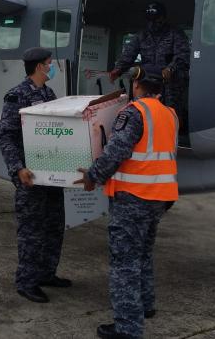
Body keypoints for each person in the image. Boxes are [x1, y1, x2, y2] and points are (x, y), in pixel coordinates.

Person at [75, 72, 178, 339]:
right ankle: (146, 304)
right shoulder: (170, 114)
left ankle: (128, 328)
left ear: (137, 85)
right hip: (160, 196)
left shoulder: (133, 113)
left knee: (125, 263)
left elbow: (115, 152)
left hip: (133, 197)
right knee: (143, 253)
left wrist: (92, 176)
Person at [0, 47, 71, 303]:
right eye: (50, 63)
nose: (52, 67)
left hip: (51, 174)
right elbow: (5, 136)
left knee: (53, 226)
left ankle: (46, 274)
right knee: (32, 231)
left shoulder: (48, 93)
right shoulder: (16, 96)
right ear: (40, 66)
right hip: (30, 175)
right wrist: (18, 168)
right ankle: (26, 282)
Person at [109, 2, 190, 128]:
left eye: (156, 19)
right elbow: (129, 54)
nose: (153, 23)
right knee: (144, 110)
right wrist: (118, 69)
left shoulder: (175, 33)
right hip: (148, 82)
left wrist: (170, 68)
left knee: (171, 112)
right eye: (150, 20)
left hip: (170, 83)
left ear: (163, 17)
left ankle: (173, 138)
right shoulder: (141, 35)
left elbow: (183, 55)